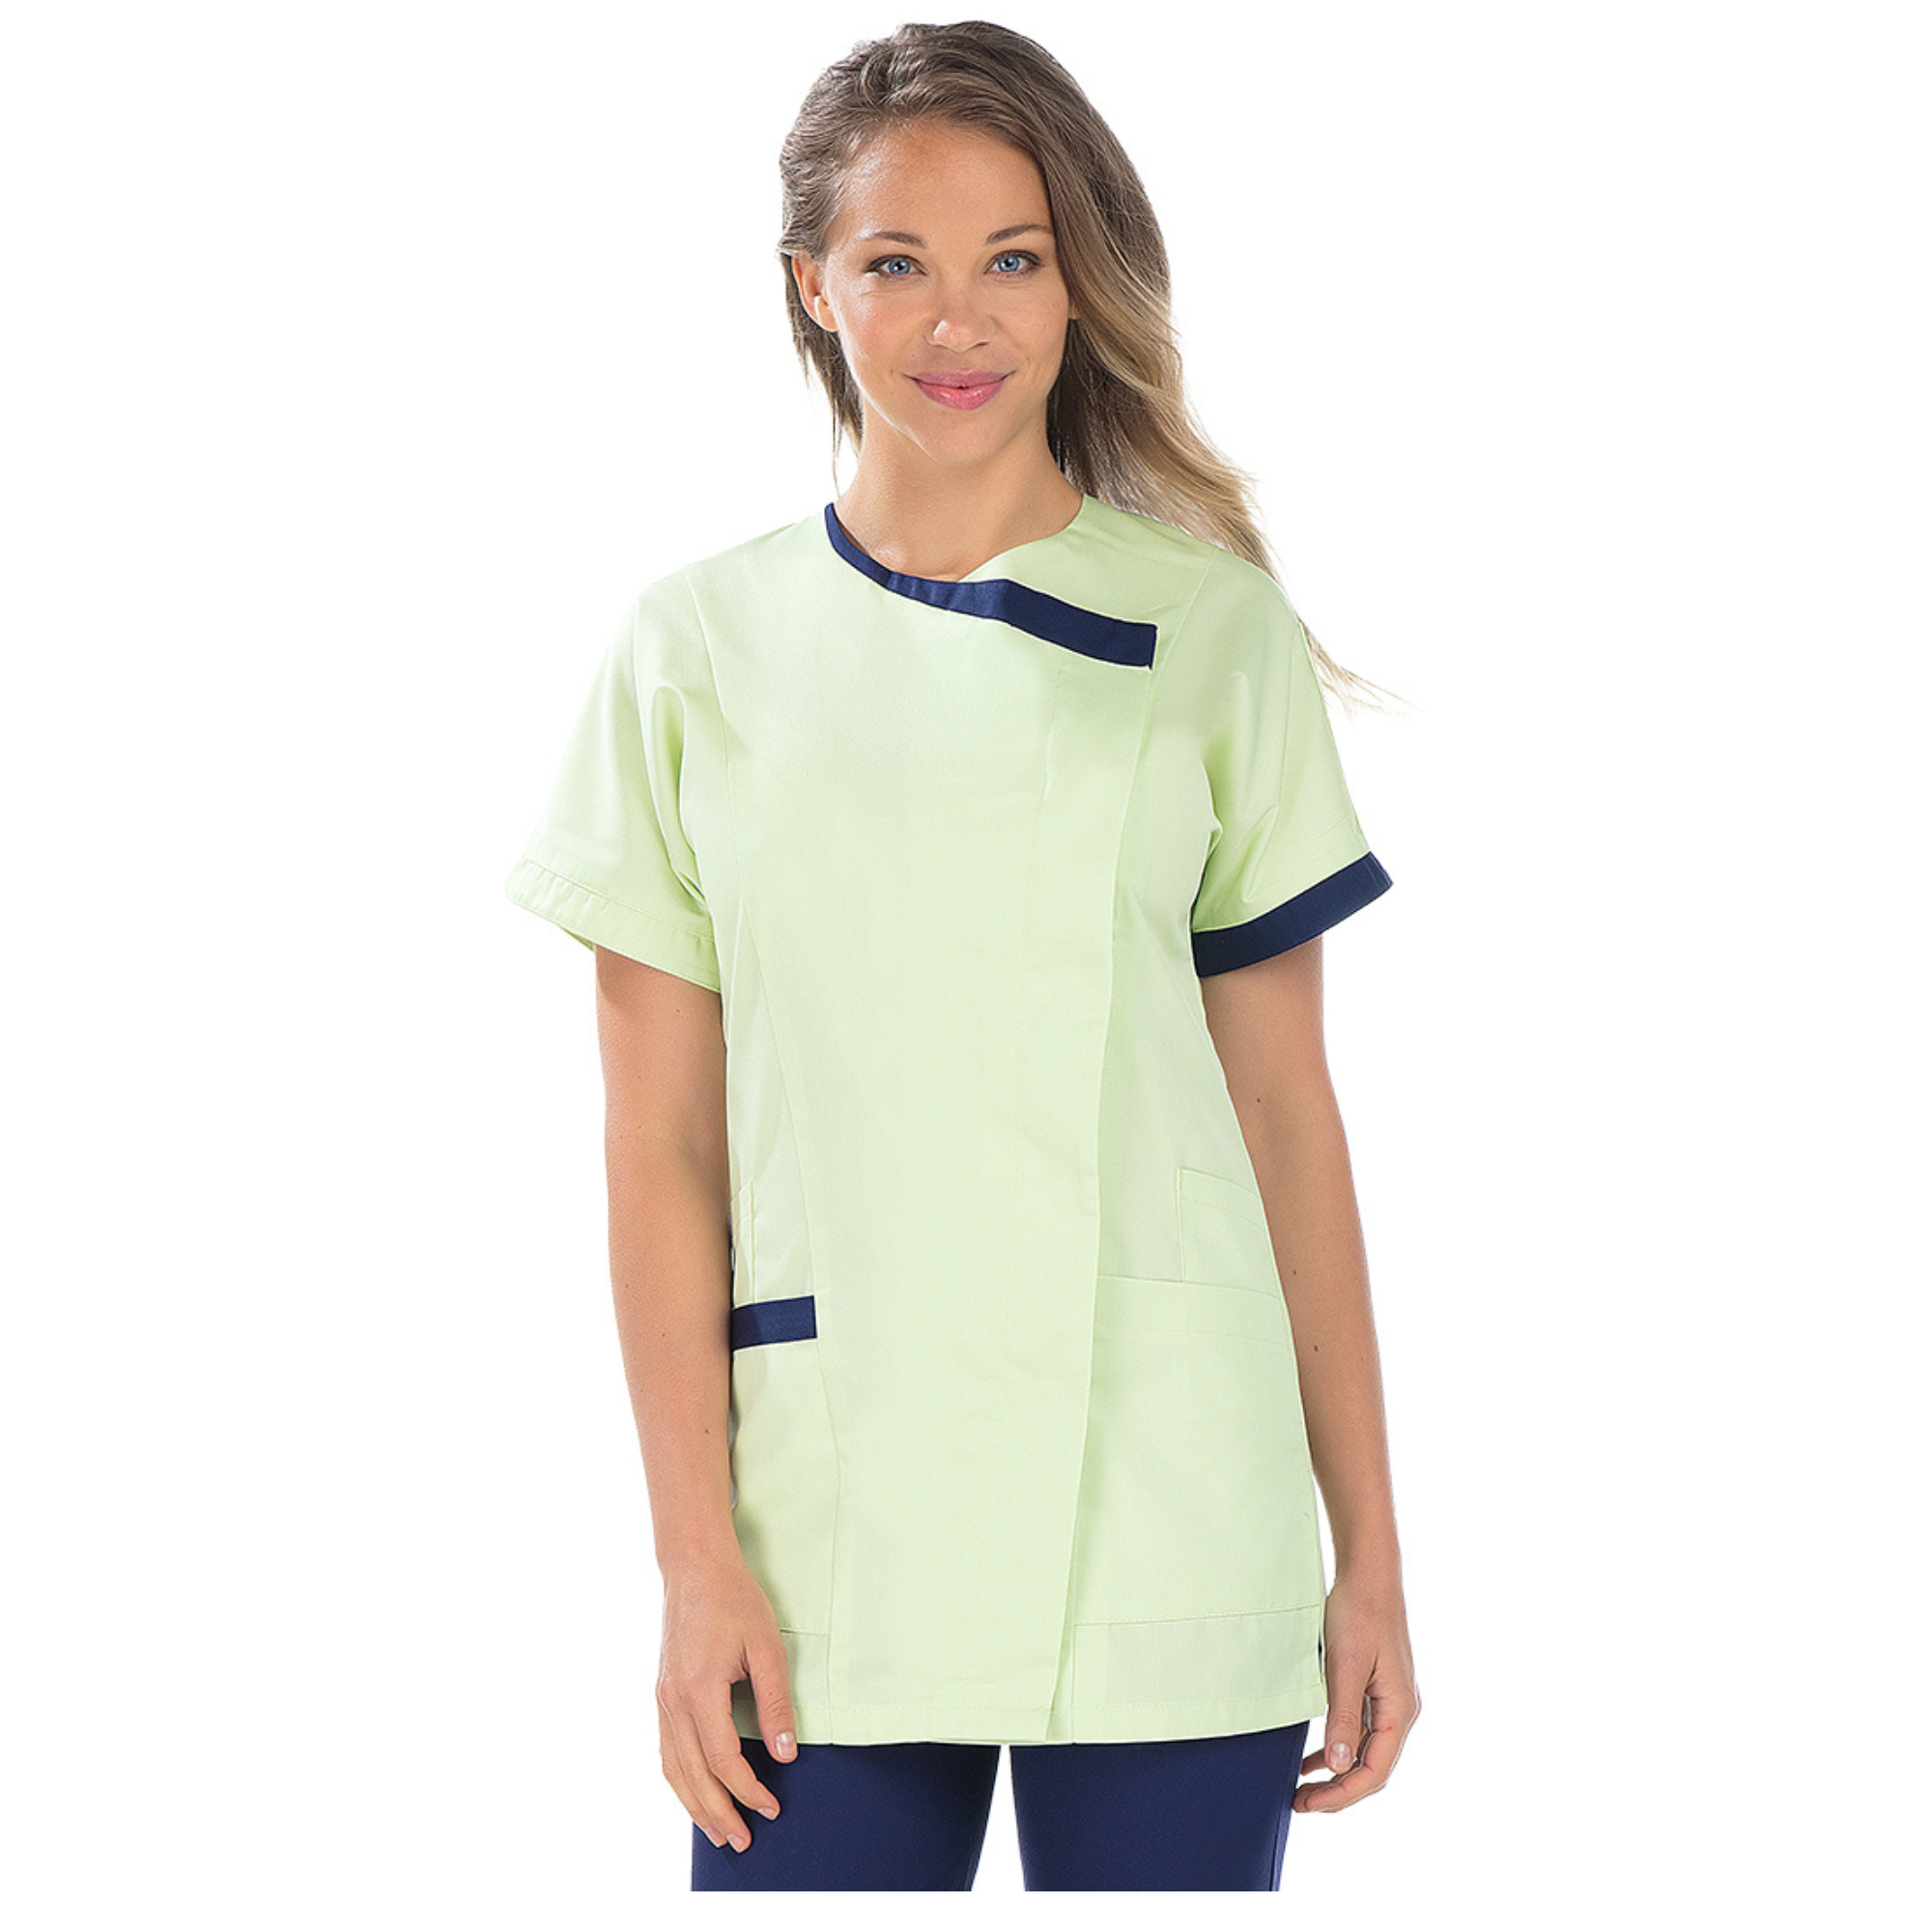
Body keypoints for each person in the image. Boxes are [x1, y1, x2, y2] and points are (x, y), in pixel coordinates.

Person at [504, 20, 1421, 1892]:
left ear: (1080, 283)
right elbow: (658, 1149)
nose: (958, 321)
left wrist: (1373, 1555)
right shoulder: (691, 652)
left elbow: (1286, 1121)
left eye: (1013, 257)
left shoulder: (1214, 638)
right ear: (810, 287)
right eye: (895, 262)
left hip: (1171, 1503)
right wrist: (692, 1560)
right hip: (823, 1528)